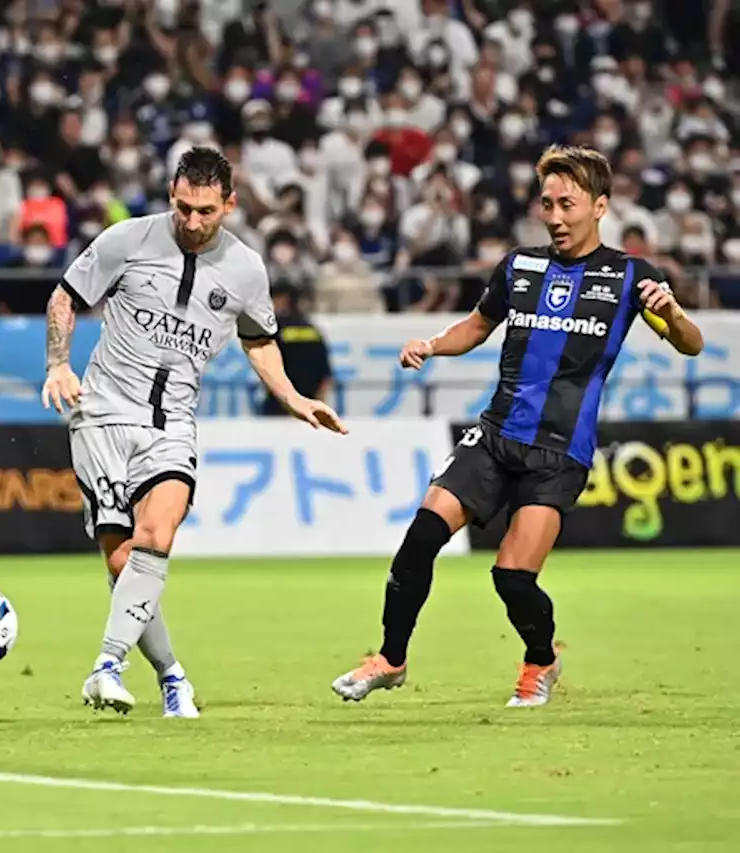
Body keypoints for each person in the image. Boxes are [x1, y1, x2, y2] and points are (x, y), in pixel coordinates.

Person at [332, 145, 704, 708]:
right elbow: (477, 327)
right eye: (547, 204)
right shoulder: (520, 266)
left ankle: (541, 661)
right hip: (496, 435)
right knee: (420, 539)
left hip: (559, 452)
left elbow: (691, 345)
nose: (554, 217)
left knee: (511, 578)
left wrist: (672, 312)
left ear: (600, 206)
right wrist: (431, 346)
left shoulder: (630, 277)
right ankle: (391, 658)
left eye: (567, 205)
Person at [42, 147, 348, 718]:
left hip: (174, 424)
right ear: (170, 196)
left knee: (158, 534)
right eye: (182, 207)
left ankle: (107, 666)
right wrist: (59, 363)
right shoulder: (125, 240)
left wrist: (293, 398)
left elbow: (259, 341)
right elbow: (65, 295)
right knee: (122, 561)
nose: (191, 221)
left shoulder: (246, 270)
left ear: (229, 204)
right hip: (103, 413)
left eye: (205, 211)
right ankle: (171, 675)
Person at [259, 282, 334, 415]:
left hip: (280, 403)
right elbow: (325, 375)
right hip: (309, 404)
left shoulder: (274, 329)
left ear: (283, 300)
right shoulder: (312, 329)